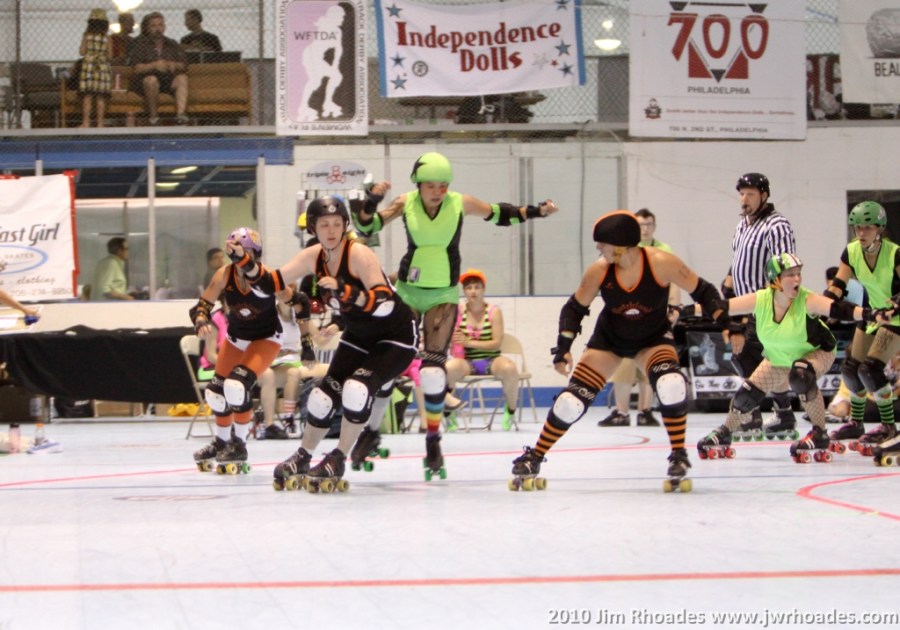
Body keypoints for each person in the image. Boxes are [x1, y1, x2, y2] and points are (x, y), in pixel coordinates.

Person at [351, 151, 558, 478]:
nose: (437, 191)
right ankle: (371, 431)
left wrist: (535, 211)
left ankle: (433, 438)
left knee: (433, 372)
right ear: (419, 184)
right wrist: (371, 199)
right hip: (406, 291)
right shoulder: (405, 202)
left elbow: (499, 214)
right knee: (388, 366)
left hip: (443, 295)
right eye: (431, 185)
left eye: (443, 185)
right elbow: (367, 225)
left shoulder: (460, 202)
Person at [509, 210, 727, 491]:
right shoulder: (600, 269)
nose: (599, 248)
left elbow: (704, 291)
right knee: (570, 402)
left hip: (652, 339)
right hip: (610, 340)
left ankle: (678, 455)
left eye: (602, 243)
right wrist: (563, 348)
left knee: (672, 384)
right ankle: (535, 456)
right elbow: (574, 309)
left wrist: (727, 325)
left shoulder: (661, 263)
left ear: (621, 244)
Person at [224, 196, 417, 491]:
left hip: (396, 337)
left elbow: (385, 303)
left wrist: (348, 292)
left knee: (356, 389)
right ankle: (304, 455)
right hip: (360, 335)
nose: (331, 230)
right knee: (321, 396)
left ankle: (339, 456)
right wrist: (245, 262)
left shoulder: (359, 254)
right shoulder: (314, 255)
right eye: (324, 225)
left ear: (345, 226)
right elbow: (271, 283)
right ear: (313, 228)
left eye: (337, 224)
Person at [696, 253, 885, 461]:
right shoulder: (762, 299)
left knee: (801, 374)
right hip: (780, 357)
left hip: (817, 351)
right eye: (790, 275)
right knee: (746, 395)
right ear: (776, 280)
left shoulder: (807, 299)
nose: (797, 279)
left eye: (798, 274)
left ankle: (820, 433)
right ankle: (725, 431)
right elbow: (721, 307)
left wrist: (871, 314)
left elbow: (839, 309)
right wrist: (680, 311)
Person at [189, 227, 300, 472]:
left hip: (266, 338)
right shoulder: (224, 273)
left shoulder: (266, 274)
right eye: (235, 250)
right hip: (237, 337)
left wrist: (291, 297)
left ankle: (239, 443)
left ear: (254, 253)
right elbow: (204, 303)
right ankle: (221, 442)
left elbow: (292, 300)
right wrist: (201, 320)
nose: (238, 255)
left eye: (243, 250)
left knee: (236, 386)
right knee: (215, 392)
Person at [720, 172, 798, 438]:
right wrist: (730, 278)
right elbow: (739, 256)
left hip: (768, 306)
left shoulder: (777, 225)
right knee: (766, 361)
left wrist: (780, 305)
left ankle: (753, 414)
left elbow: (786, 265)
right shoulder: (743, 224)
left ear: (764, 196)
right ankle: (784, 413)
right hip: (747, 306)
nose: (744, 199)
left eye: (750, 194)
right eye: (741, 193)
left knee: (745, 356)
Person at [824, 201, 900, 460]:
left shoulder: (894, 253)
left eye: (867, 227)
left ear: (879, 228)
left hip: (896, 319)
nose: (861, 232)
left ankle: (889, 427)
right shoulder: (852, 251)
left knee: (871, 369)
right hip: (872, 314)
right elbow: (838, 284)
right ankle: (856, 423)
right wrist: (826, 302)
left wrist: (895, 305)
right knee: (851, 369)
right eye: (857, 228)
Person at [598, 208, 679, 428]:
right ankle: (621, 412)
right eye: (641, 224)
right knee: (625, 365)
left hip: (655, 316)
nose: (645, 229)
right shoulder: (624, 249)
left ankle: (646, 410)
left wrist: (675, 307)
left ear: (654, 227)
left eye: (649, 224)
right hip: (627, 319)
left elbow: (673, 280)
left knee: (649, 367)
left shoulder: (663, 251)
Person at [445, 268, 520, 431]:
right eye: (469, 287)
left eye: (477, 287)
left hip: (491, 359)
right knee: (448, 369)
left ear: (483, 289)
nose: (473, 291)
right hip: (468, 361)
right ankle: (449, 414)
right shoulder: (458, 311)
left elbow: (496, 343)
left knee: (510, 369)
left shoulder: (494, 312)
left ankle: (511, 409)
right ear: (464, 290)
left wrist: (469, 342)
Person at [256, 286, 317, 440]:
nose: (289, 294)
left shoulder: (300, 313)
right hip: (271, 359)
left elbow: (320, 339)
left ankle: (288, 418)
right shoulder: (268, 313)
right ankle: (273, 422)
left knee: (294, 372)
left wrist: (332, 329)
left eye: (292, 291)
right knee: (279, 373)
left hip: (293, 360)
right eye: (284, 291)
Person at [130, 12, 189, 126]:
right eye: (154, 26)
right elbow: (136, 68)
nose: (158, 28)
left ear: (164, 26)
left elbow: (184, 65)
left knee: (182, 78)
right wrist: (154, 65)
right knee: (151, 80)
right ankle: (154, 118)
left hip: (167, 80)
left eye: (160, 25)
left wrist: (174, 65)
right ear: (147, 28)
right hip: (145, 82)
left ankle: (181, 116)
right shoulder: (140, 45)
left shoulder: (172, 43)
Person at [77, 9, 112, 128]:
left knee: (87, 95)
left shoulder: (87, 35)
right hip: (101, 66)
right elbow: (110, 55)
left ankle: (86, 121)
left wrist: (90, 53)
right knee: (100, 96)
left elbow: (81, 52)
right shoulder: (107, 37)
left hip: (88, 66)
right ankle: (100, 123)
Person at [91, 237, 133, 301]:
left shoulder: (105, 262)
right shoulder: (111, 263)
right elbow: (104, 289)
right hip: (107, 307)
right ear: (119, 251)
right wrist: (125, 297)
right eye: (126, 249)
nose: (128, 252)